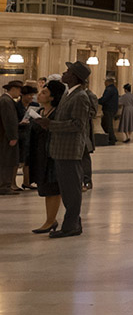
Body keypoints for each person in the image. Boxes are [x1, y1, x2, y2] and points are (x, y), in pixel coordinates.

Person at [35, 61, 97, 238]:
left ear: (75, 77)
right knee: (68, 189)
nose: (64, 72)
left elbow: (78, 125)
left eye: (68, 71)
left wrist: (51, 125)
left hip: (69, 150)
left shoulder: (80, 97)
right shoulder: (69, 94)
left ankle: (71, 226)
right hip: (61, 148)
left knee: (71, 190)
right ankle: (72, 223)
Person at [28, 81, 65, 232]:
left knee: (53, 187)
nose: (39, 94)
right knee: (45, 186)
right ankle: (50, 219)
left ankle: (50, 221)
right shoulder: (41, 111)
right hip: (40, 152)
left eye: (44, 93)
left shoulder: (58, 113)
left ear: (52, 97)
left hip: (52, 153)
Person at [0, 80, 23, 194]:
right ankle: (4, 186)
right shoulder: (6, 101)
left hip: (6, 136)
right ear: (13, 89)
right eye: (19, 90)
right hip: (6, 137)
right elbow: (9, 121)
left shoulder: (7, 100)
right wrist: (13, 136)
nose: (20, 93)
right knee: (7, 161)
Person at [97, 77, 119, 146]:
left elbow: (105, 99)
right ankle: (113, 138)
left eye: (105, 82)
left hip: (108, 109)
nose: (104, 83)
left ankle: (112, 139)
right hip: (112, 109)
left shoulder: (109, 89)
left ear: (108, 82)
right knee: (107, 124)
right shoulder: (114, 89)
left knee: (107, 124)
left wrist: (97, 101)